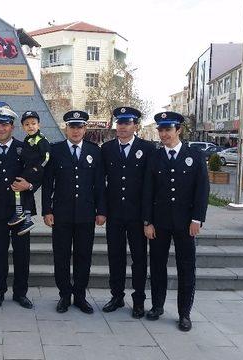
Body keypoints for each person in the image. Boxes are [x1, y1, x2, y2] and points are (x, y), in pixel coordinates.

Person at [142, 111, 209, 332]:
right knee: (158, 267)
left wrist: (197, 219)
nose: (164, 134)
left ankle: (184, 313)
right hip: (159, 223)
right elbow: (148, 193)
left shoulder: (195, 155)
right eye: (160, 130)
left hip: (185, 224)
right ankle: (157, 306)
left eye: (168, 129)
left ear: (178, 130)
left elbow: (202, 190)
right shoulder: (154, 156)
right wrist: (147, 222)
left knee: (186, 269)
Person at [42, 110, 106, 314]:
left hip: (86, 214)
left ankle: (80, 296)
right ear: (66, 128)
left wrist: (101, 211)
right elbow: (48, 183)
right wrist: (47, 210)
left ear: (85, 129)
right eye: (72, 127)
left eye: (80, 127)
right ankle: (64, 295)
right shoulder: (56, 150)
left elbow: (99, 185)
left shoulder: (94, 151)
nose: (76, 131)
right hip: (61, 214)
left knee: (83, 256)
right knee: (61, 256)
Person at [101, 107, 155, 318]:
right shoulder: (107, 149)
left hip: (137, 215)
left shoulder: (148, 148)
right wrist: (102, 210)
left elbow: (150, 185)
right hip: (114, 214)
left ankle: (139, 300)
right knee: (115, 257)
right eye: (120, 123)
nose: (122, 127)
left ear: (136, 126)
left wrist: (148, 217)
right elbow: (101, 183)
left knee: (139, 258)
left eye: (127, 123)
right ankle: (116, 296)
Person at [0, 106, 37, 310]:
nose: (1, 128)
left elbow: (38, 173)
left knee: (22, 254)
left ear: (12, 127)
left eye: (5, 125)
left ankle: (20, 293)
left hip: (20, 210)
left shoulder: (25, 148)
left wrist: (29, 185)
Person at [8, 111, 50, 235]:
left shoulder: (40, 140)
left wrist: (37, 169)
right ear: (23, 127)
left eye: (33, 123)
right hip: (29, 169)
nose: (30, 126)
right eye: (27, 124)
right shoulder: (28, 139)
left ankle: (22, 214)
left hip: (35, 171)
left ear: (39, 125)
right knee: (24, 191)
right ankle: (26, 218)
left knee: (18, 186)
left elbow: (46, 157)